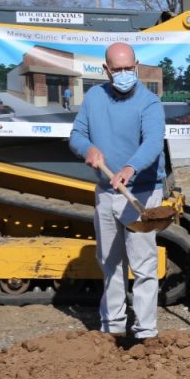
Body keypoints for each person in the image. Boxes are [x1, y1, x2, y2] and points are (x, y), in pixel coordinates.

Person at [69, 42, 164, 340]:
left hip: (142, 195)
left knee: (144, 265)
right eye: (118, 69)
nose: (124, 74)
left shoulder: (149, 103)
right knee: (110, 263)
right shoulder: (95, 97)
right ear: (106, 70)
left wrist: (130, 168)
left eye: (129, 68)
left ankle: (146, 331)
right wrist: (88, 148)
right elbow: (77, 134)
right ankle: (113, 327)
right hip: (106, 193)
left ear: (136, 66)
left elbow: (152, 143)